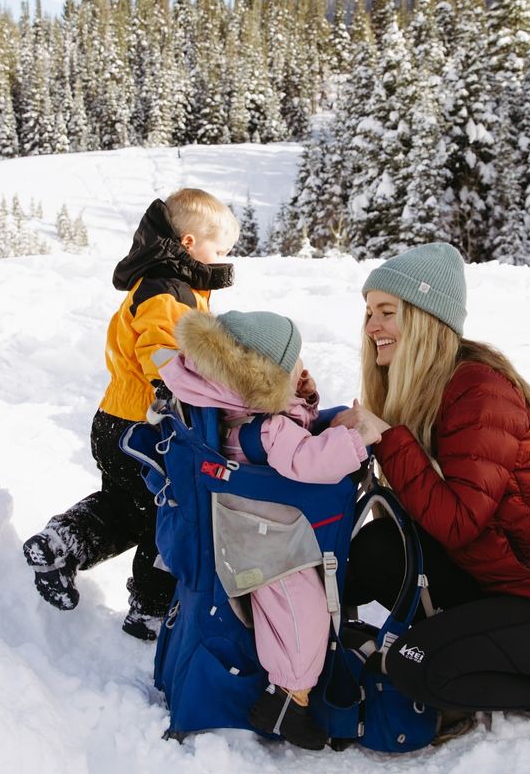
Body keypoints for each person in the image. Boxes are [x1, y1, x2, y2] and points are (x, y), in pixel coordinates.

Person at [332, 242, 530, 743]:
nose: (371, 326)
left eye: (386, 312)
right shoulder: (430, 386)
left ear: (424, 318)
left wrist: (390, 439)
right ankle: (468, 653)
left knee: (414, 665)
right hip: (501, 584)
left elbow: (458, 522)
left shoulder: (479, 391)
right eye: (368, 313)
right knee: (377, 551)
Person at [155, 308, 378, 750]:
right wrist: (359, 439)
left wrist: (319, 413)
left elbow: (298, 430)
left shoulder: (230, 406)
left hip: (248, 534)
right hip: (270, 546)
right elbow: (305, 460)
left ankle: (289, 692)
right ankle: (288, 700)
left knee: (295, 615)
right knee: (303, 616)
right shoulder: (269, 428)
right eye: (294, 364)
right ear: (265, 377)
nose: (302, 370)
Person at [23, 189, 239, 640]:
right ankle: (151, 609)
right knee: (164, 513)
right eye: (220, 250)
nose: (224, 259)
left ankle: (63, 542)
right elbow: (157, 345)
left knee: (127, 504)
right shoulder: (167, 289)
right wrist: (173, 389)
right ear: (187, 243)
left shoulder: (171, 285)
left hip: (120, 422)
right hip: (145, 427)